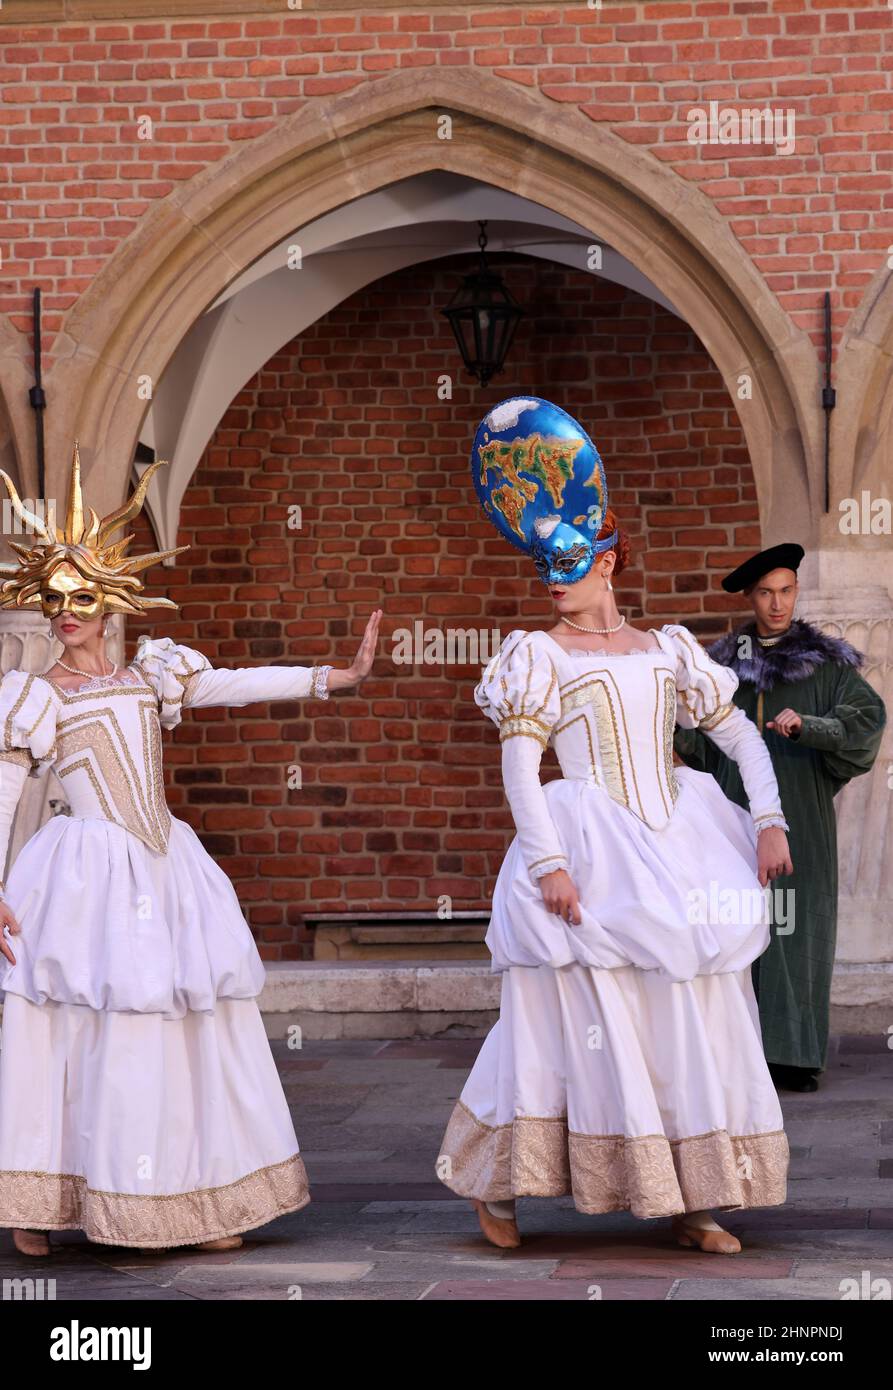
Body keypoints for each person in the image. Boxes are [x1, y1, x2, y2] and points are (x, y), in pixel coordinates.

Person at [0, 443, 382, 1255]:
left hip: (165, 867)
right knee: (80, 1025)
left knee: (179, 1022)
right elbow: (3, 792)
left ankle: (196, 1198)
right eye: (55, 598)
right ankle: (45, 1202)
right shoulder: (33, 695)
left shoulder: (151, 676)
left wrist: (330, 678)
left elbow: (235, 683)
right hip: (83, 872)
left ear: (110, 603)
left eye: (82, 596)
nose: (67, 610)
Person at [437, 396, 792, 1255]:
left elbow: (738, 732)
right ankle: (500, 1186)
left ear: (607, 559)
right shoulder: (537, 655)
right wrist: (547, 862)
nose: (550, 575)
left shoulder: (667, 647)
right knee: (560, 1014)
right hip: (588, 843)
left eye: (565, 559)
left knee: (688, 1012)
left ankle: (690, 1197)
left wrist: (769, 821)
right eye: (540, 564)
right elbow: (521, 764)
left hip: (678, 837)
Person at [674, 544, 886, 1092]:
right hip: (731, 818)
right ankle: (737, 1055)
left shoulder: (827, 664)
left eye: (786, 591)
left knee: (793, 930)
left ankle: (792, 1058)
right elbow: (698, 744)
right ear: (751, 596)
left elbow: (866, 721)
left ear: (797, 592)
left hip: (801, 819)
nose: (777, 603)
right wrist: (671, 715)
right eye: (765, 592)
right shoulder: (721, 668)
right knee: (736, 926)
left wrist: (810, 727)